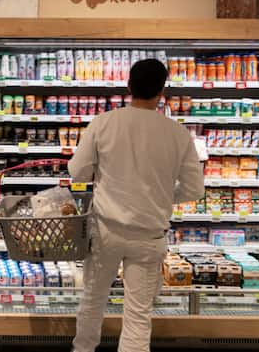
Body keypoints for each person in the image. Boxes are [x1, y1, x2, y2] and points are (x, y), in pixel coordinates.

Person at [69, 58, 205, 352]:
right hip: (149, 235)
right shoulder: (178, 133)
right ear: (162, 91)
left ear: (129, 86)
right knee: (138, 314)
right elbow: (194, 189)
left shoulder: (104, 123)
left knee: (93, 300)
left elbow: (77, 172)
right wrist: (161, 195)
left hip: (106, 230)